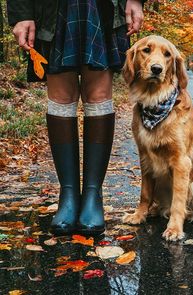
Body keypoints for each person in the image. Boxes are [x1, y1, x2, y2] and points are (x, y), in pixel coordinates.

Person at [7, 0, 145, 236]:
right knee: (61, 96)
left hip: (102, 7)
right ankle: (68, 194)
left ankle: (93, 194)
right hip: (53, 9)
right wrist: (21, 13)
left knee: (98, 95)